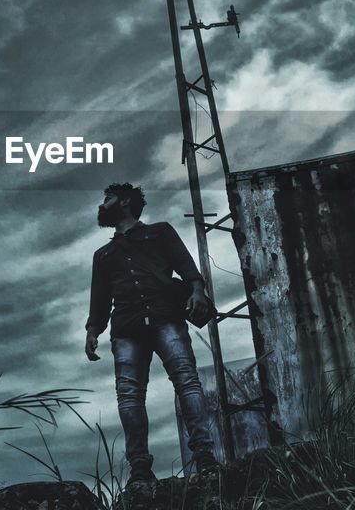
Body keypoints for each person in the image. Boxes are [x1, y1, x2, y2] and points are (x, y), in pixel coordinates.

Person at [84, 182, 222, 488]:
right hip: (126, 328)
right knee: (130, 396)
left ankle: (204, 457)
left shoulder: (159, 232)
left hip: (166, 317)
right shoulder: (103, 255)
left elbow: (187, 267)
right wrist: (93, 330)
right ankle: (140, 470)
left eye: (106, 198)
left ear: (123, 201)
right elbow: (100, 298)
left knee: (186, 380)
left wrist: (198, 291)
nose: (101, 204)